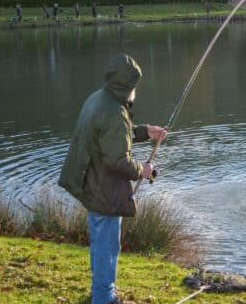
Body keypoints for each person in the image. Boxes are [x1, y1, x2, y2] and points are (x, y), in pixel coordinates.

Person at [58, 54, 167, 304]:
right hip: (104, 191)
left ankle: (100, 293)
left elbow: (111, 136)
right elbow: (118, 161)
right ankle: (104, 299)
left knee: (100, 244)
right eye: (134, 87)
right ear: (127, 87)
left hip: (91, 184)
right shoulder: (115, 113)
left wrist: (145, 132)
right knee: (107, 248)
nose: (135, 92)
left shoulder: (99, 98)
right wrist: (144, 170)